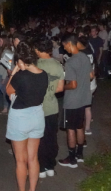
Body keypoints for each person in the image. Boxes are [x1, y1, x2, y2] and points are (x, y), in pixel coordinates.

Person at [5, 41, 48, 191]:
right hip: (37, 116)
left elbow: (8, 91)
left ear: (21, 61)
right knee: (33, 158)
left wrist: (15, 71)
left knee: (21, 161)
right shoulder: (44, 75)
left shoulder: (20, 76)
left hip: (20, 118)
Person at [58, 34, 92, 169]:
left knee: (70, 129)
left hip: (72, 100)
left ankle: (71, 159)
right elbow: (91, 75)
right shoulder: (85, 57)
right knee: (80, 126)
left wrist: (61, 87)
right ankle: (80, 154)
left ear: (70, 44)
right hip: (84, 98)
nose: (64, 48)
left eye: (64, 45)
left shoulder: (71, 62)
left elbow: (72, 85)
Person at [34, 37, 64, 179]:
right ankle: (50, 166)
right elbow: (60, 88)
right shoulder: (58, 65)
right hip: (52, 107)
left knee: (38, 138)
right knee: (51, 137)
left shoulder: (35, 65)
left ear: (38, 50)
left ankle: (40, 167)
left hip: (36, 108)